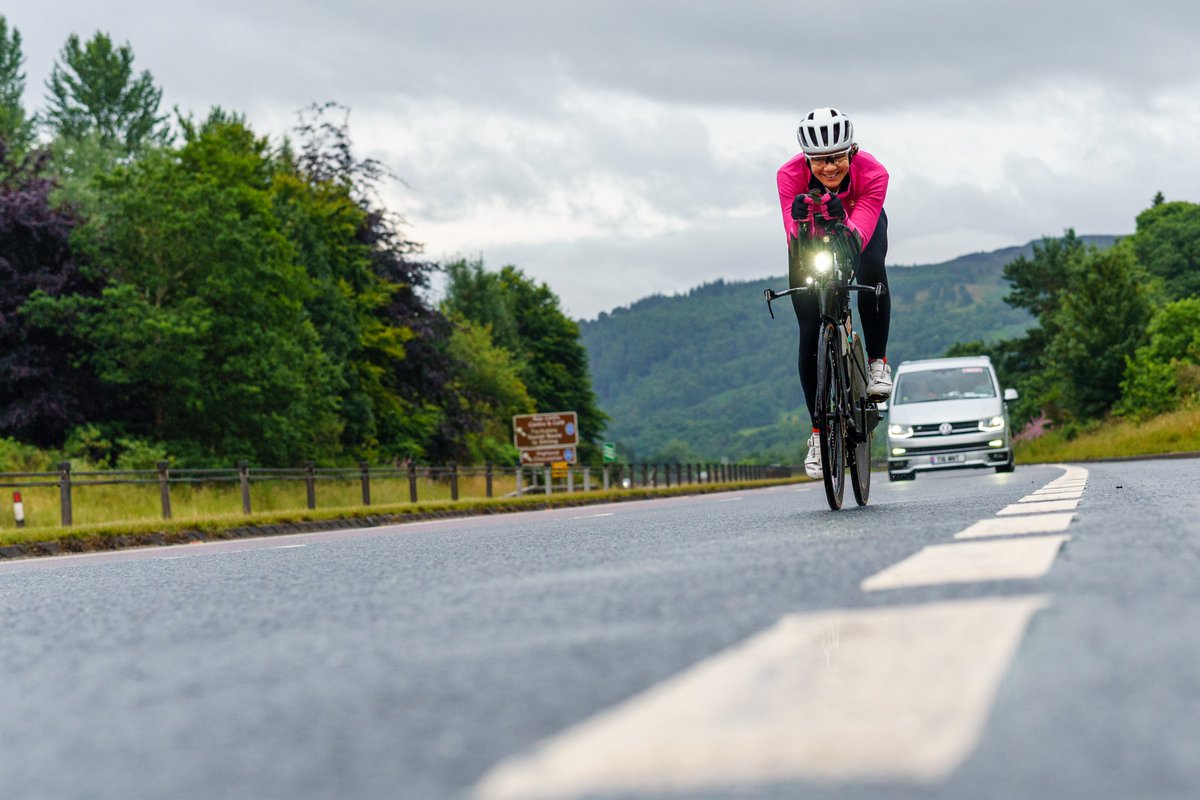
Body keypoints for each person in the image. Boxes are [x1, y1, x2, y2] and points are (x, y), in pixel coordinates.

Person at [776, 107, 892, 480]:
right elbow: (793, 236)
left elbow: (860, 234)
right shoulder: (788, 176)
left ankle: (877, 363)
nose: (829, 168)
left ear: (851, 151)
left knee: (872, 268)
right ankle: (817, 433)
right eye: (820, 161)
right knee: (809, 329)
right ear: (806, 159)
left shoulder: (873, 173)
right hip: (812, 234)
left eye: (837, 158)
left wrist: (842, 224)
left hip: (859, 221)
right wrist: (802, 219)